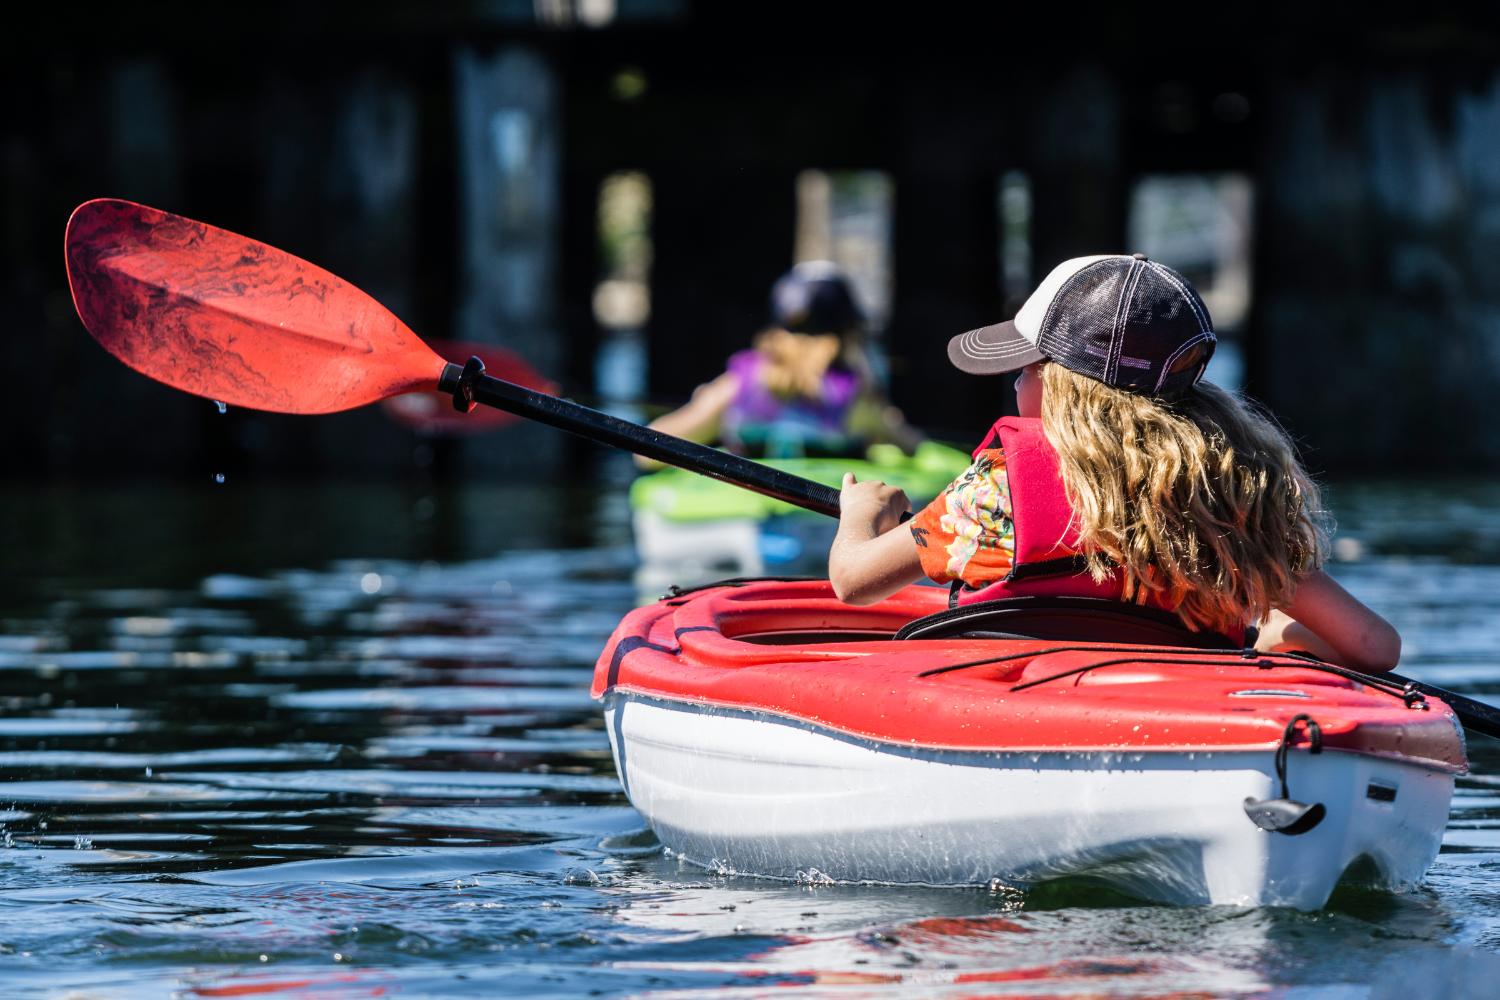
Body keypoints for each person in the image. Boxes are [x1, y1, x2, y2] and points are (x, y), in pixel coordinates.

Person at [827, 254, 1400, 673]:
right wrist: (1281, 638)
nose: (1016, 383)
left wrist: (861, 512)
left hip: (1016, 702)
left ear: (1062, 386)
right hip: (1184, 708)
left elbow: (853, 582)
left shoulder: (997, 490)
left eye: (1025, 370)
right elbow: (1373, 648)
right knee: (1276, 629)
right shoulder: (1226, 492)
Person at [636, 261, 919, 469]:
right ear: (846, 330)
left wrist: (704, 402)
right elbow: (912, 447)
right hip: (820, 519)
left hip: (744, 510)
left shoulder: (737, 383)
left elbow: (645, 455)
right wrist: (889, 421)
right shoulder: (856, 393)